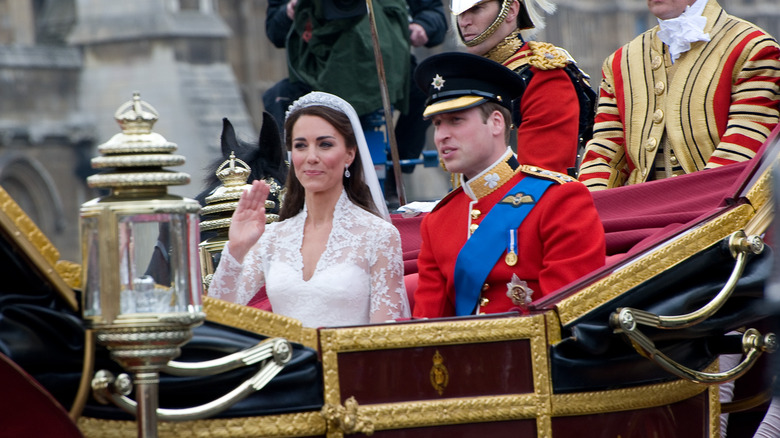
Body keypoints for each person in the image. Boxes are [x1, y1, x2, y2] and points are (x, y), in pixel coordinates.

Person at [411, 52, 605, 318]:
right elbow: (428, 328)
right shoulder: (437, 221)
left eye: (456, 120)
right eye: (437, 124)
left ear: (496, 123)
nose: (442, 135)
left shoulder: (560, 199)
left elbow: (569, 318)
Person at [209, 92, 410, 327]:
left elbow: (385, 336)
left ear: (349, 154)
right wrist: (236, 249)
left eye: (325, 145)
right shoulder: (273, 237)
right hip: (287, 362)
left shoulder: (379, 235)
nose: (311, 157)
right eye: (300, 146)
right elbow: (219, 315)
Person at [578, 0, 780, 190]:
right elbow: (605, 151)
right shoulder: (621, 61)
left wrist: (701, 210)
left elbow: (745, 139)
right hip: (642, 211)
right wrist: (591, 209)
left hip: (719, 205)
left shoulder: (752, 47)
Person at [450, 0, 596, 175]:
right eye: (460, 14)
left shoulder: (543, 75)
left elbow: (540, 178)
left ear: (511, 10)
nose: (464, 22)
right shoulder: (470, 78)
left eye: (476, 9)